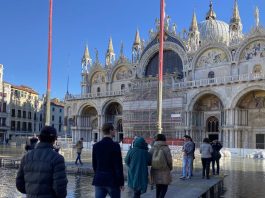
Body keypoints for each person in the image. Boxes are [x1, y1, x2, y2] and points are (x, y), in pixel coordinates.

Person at [16, 126, 68, 197]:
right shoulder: (57, 159)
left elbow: (19, 184)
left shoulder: (26, 157)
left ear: (39, 138)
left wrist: (32, 191)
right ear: (54, 139)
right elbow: (60, 189)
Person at [92, 123, 124, 198]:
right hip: (112, 180)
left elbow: (94, 165)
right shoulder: (115, 146)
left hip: (99, 180)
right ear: (110, 131)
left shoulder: (96, 146)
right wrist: (121, 182)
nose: (115, 131)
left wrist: (98, 174)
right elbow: (118, 166)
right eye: (114, 130)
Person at [149, 134, 172, 198]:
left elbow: (149, 159)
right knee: (164, 186)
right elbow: (169, 160)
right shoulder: (166, 148)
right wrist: (170, 168)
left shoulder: (153, 148)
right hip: (165, 170)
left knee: (158, 186)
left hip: (155, 170)